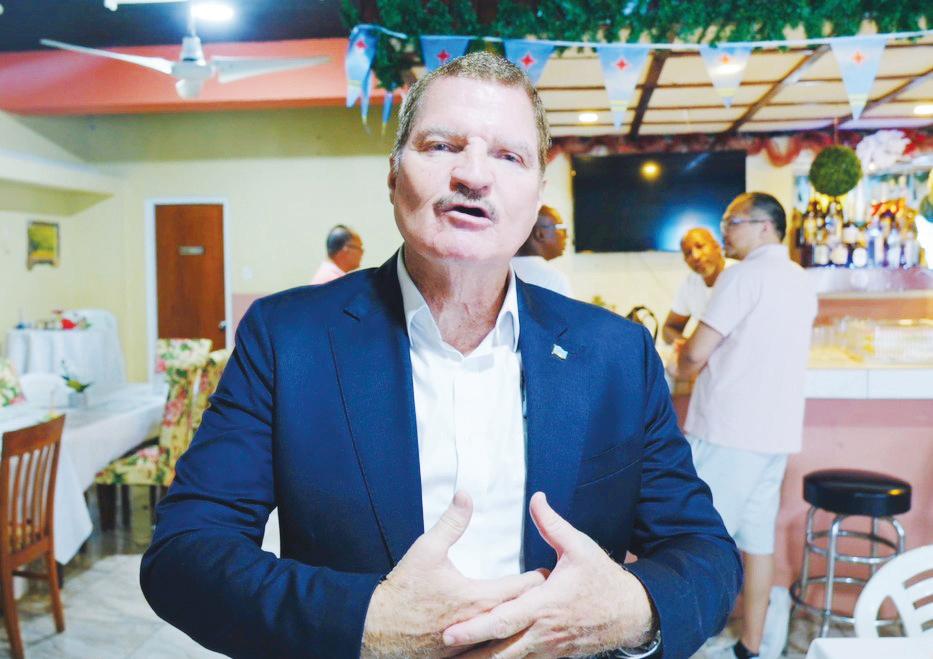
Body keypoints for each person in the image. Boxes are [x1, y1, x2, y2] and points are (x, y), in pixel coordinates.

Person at [141, 52, 740, 659]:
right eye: (441, 146)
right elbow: (184, 553)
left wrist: (628, 611)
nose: (473, 176)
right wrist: (366, 623)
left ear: (537, 195)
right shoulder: (287, 338)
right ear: (393, 175)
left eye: (509, 156)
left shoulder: (616, 354)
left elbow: (705, 553)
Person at [669, 193, 817, 659]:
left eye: (732, 222)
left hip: (728, 431)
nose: (725, 232)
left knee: (698, 542)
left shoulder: (741, 276)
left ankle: (686, 643)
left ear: (764, 226)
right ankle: (752, 645)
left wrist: (679, 360)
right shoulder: (801, 279)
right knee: (757, 543)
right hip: (774, 434)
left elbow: (694, 353)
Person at [662, 227, 730, 346]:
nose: (695, 256)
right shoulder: (690, 283)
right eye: (688, 253)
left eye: (700, 246)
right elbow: (669, 329)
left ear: (717, 246)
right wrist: (691, 348)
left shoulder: (742, 275)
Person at [511, 205, 573, 295]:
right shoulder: (555, 280)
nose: (566, 236)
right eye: (561, 228)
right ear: (540, 234)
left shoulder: (498, 272)